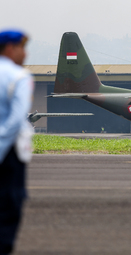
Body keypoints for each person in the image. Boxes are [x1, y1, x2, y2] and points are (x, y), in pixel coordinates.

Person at [0, 29, 34, 254]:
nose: (26, 54)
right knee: (10, 203)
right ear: (10, 49)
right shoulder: (20, 76)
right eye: (22, 48)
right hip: (10, 150)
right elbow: (17, 117)